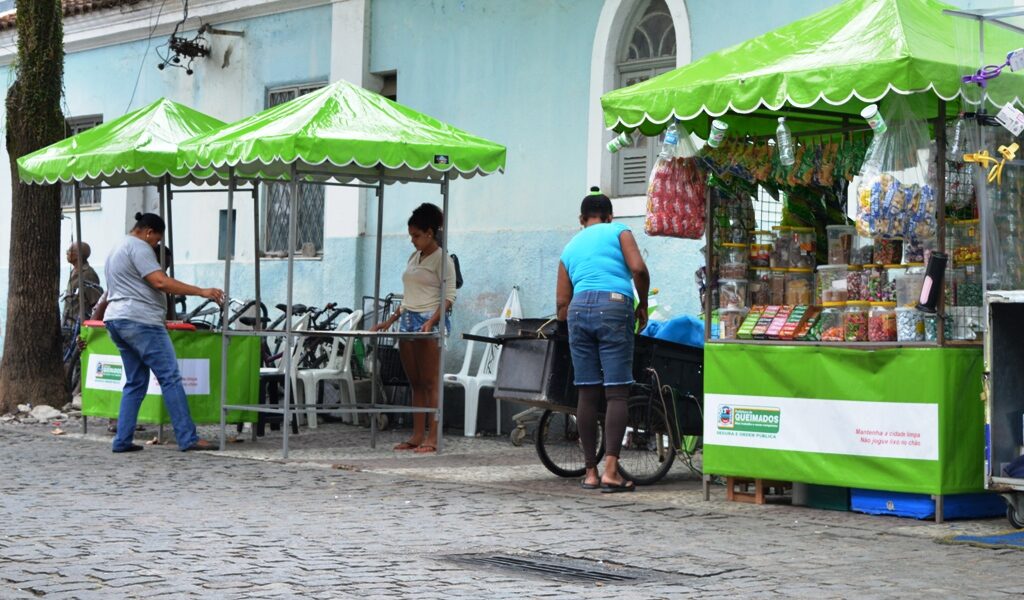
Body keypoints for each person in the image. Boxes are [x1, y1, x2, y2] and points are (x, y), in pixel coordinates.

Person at [103, 212, 224, 453]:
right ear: (148, 232)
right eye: (156, 240)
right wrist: (201, 291)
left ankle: (122, 439)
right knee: (170, 377)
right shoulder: (139, 247)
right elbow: (160, 282)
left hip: (117, 319)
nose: (156, 245)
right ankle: (187, 437)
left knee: (135, 382)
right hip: (141, 321)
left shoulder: (117, 246)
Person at [556, 187, 650, 493]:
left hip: (578, 310)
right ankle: (612, 470)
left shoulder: (569, 248)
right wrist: (643, 303)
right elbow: (637, 269)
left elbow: (561, 305)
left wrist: (575, 318)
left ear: (582, 219)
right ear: (610, 216)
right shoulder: (619, 231)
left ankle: (590, 472)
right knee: (617, 393)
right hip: (613, 305)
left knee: (587, 392)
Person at [372, 203, 456, 454]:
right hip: (408, 319)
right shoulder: (414, 257)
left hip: (430, 320)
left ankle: (434, 436)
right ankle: (417, 434)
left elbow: (449, 296)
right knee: (415, 382)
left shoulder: (444, 259)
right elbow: (409, 296)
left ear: (430, 233)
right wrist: (389, 321)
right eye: (411, 236)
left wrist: (431, 322)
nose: (413, 241)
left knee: (431, 381)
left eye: (416, 236)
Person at [62, 241, 103, 327]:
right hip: (68, 325)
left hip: (80, 327)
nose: (67, 253)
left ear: (77, 255)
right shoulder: (74, 271)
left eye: (69, 251)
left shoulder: (88, 274)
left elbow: (96, 304)